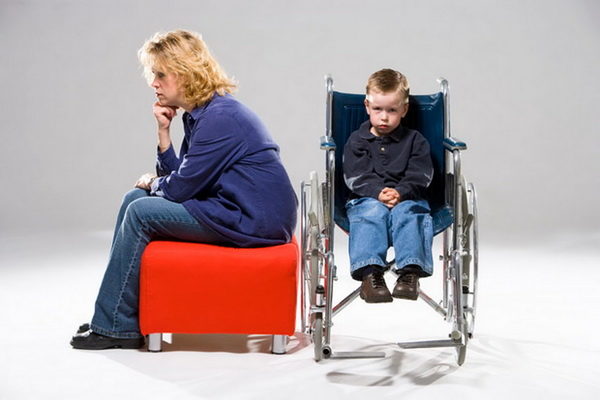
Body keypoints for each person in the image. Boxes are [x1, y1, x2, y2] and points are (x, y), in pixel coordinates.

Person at [71, 30, 297, 349]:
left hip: (254, 220)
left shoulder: (220, 118)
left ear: (185, 72)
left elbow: (178, 189)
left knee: (140, 211)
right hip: (231, 207)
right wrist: (164, 132)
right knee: (133, 198)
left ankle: (115, 326)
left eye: (161, 74)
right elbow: (183, 179)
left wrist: (153, 182)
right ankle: (117, 316)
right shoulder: (201, 114)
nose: (154, 83)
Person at [343, 69, 434, 304]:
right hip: (367, 199)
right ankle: (370, 274)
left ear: (404, 110)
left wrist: (400, 192)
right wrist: (378, 193)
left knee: (410, 212)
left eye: (392, 110)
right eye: (377, 109)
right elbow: (355, 175)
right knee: (371, 212)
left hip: (407, 197)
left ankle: (409, 274)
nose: (384, 117)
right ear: (367, 106)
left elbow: (421, 174)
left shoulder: (415, 141)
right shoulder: (357, 141)